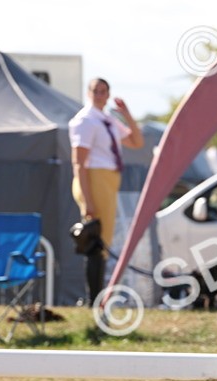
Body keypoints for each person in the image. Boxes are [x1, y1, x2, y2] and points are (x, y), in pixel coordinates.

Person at [69, 78, 143, 304]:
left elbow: (136, 141)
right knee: (95, 241)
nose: (100, 95)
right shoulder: (85, 120)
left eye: (104, 91)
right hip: (94, 179)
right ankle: (93, 299)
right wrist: (88, 200)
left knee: (103, 240)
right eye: (96, 91)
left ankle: (97, 297)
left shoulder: (107, 120)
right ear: (88, 93)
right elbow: (79, 163)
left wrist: (126, 114)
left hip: (108, 181)